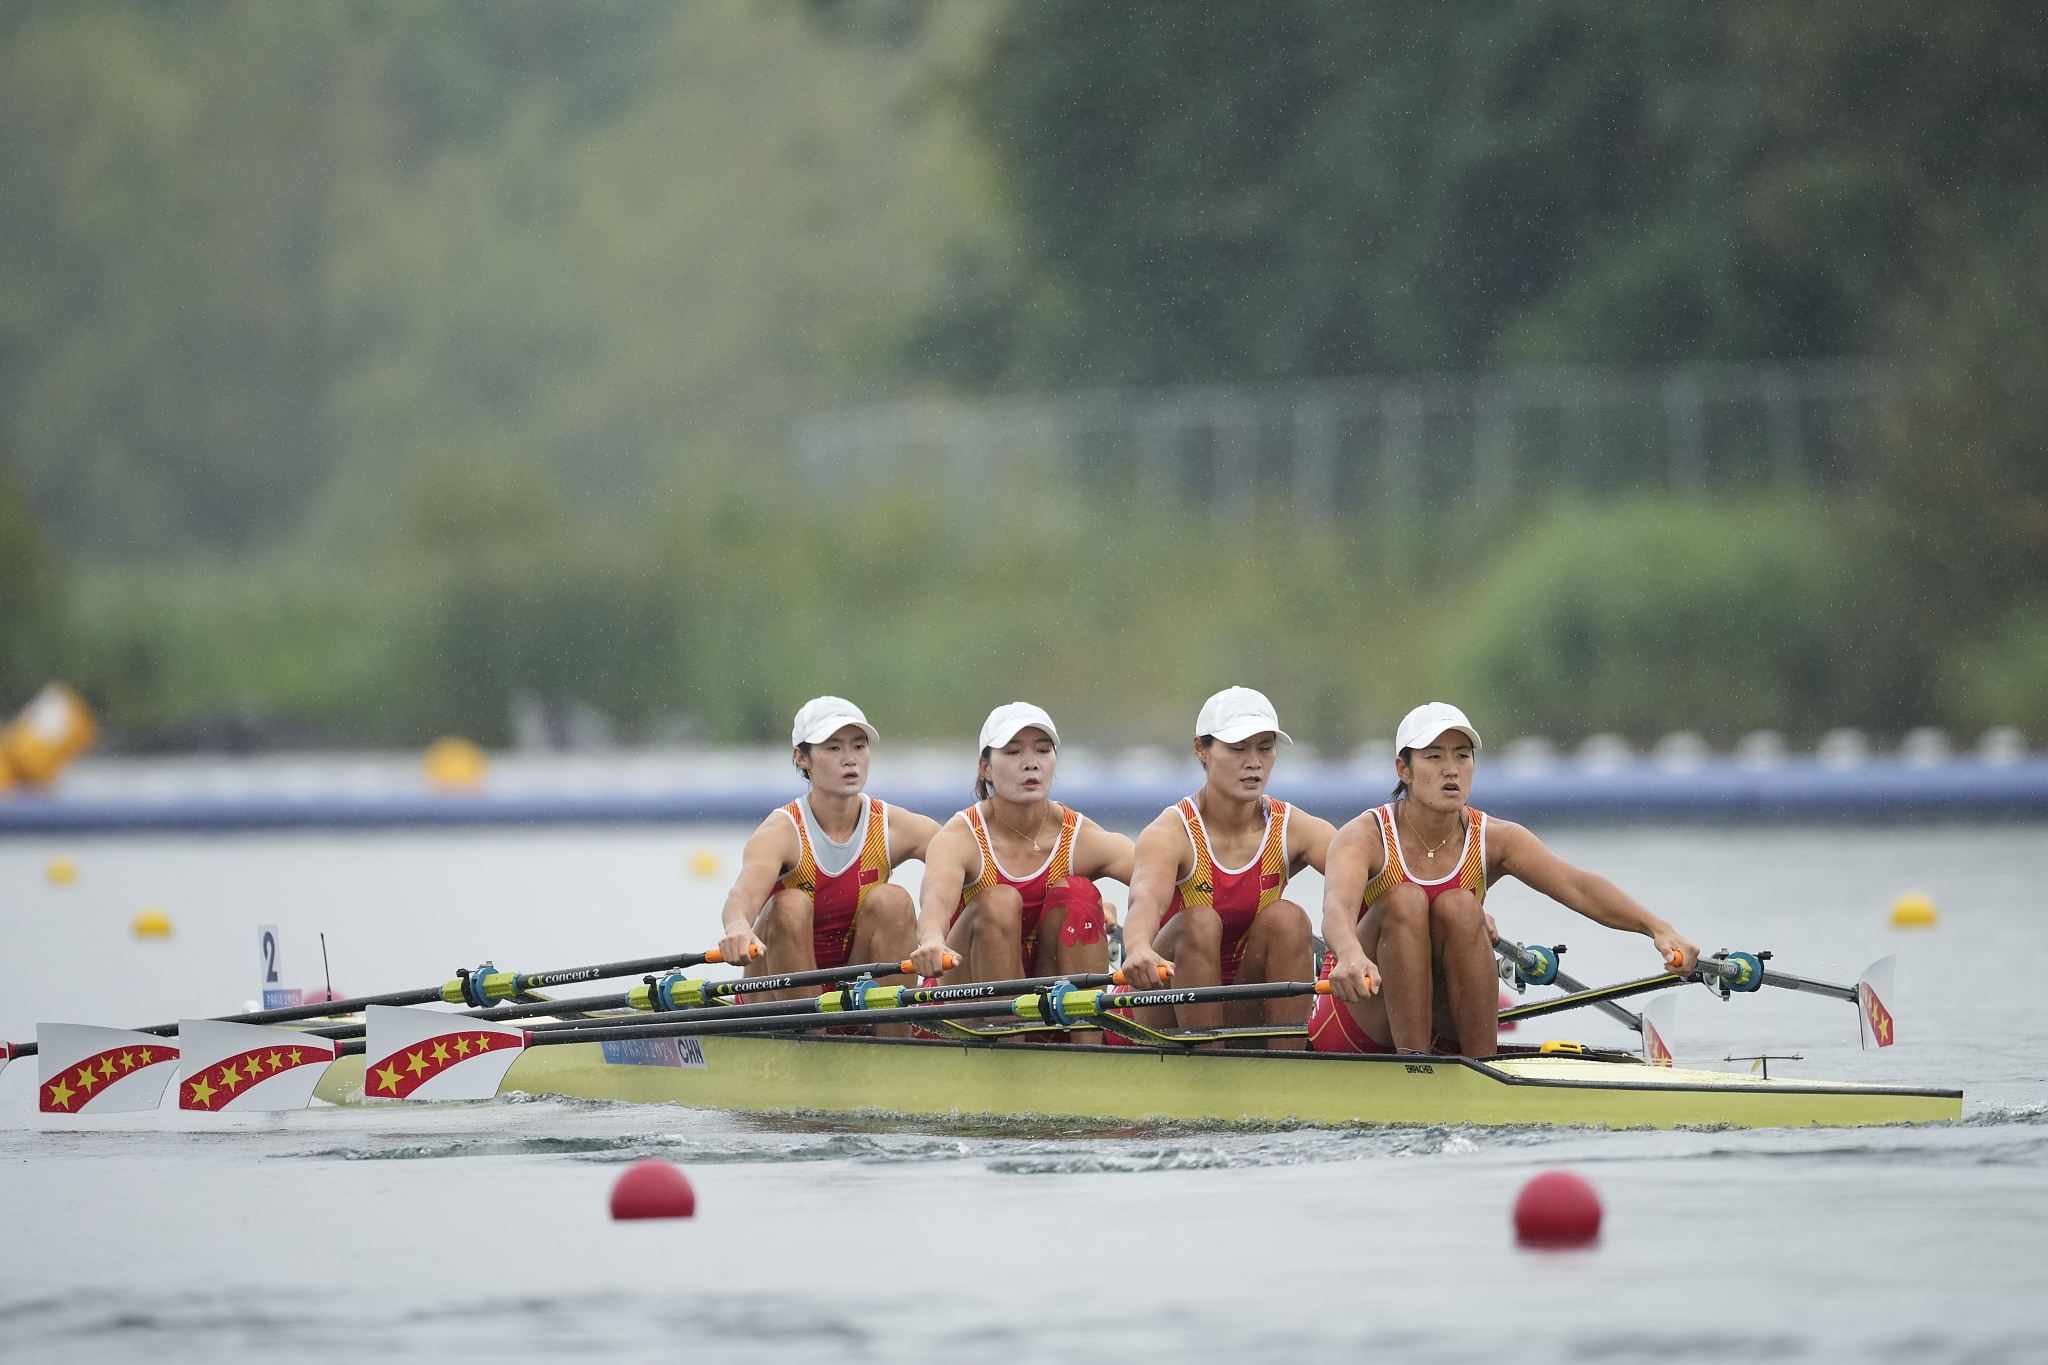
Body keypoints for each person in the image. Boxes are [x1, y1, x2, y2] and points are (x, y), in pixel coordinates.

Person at [1314, 702, 1701, 1057]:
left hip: (1440, 1018)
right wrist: (1350, 954)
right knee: (1405, 901)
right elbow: (1336, 910)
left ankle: (1485, 1068)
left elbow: (1578, 886)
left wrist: (1658, 929)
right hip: (1358, 1021)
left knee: (1460, 906)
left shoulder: (1496, 838)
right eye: (1434, 757)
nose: (1451, 769)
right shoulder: (1364, 836)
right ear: (1404, 770)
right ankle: (1418, 1068)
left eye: (1462, 756)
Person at [1116, 687, 1333, 1048]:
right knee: (1200, 920)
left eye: (1265, 747)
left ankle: (1288, 1073)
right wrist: (1137, 947)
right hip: (1162, 1005)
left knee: (1289, 918)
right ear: (1201, 749)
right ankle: (1209, 1071)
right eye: (1237, 749)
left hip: (1241, 1000)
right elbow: (1145, 900)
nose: (1254, 762)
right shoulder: (1170, 832)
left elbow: (1369, 882)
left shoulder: (1294, 827)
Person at [909, 704, 1134, 1031]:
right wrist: (930, 939)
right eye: (1013, 752)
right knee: (999, 901)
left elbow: (1159, 884)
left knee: (1082, 895)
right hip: (961, 999)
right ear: (986, 768)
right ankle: (1011, 1049)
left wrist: (1110, 918)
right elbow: (935, 902)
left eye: (1043, 750)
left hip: (1040, 988)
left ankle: (1087, 1053)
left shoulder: (1081, 837)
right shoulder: (960, 837)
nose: (1031, 762)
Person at [718, 698, 941, 1015]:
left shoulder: (894, 826)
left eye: (859, 746)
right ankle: (811, 1037)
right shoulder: (781, 832)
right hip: (780, 997)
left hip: (855, 986)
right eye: (834, 748)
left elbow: (969, 865)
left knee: (894, 900)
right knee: (789, 904)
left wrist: (936, 937)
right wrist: (737, 927)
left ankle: (892, 1038)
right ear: (802, 757)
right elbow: (742, 895)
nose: (850, 759)